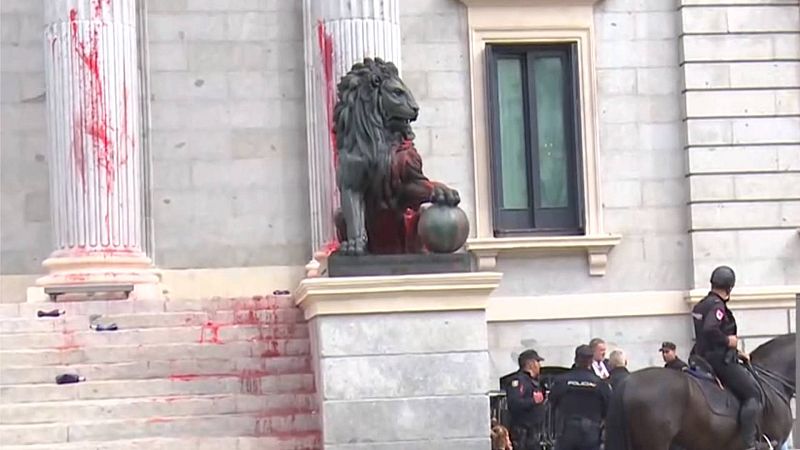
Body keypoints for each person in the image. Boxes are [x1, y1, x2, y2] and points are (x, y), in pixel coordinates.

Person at [691, 265, 768, 450]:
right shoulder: (717, 306)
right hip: (718, 360)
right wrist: (728, 341)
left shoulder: (700, 304)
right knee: (753, 394)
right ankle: (748, 444)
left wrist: (738, 352)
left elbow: (703, 335)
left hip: (701, 356)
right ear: (729, 287)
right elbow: (710, 329)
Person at [550, 345, 611, 450]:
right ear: (591, 361)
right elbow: (609, 408)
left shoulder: (562, 381)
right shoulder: (600, 384)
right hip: (592, 432)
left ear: (576, 359)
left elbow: (552, 401)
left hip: (567, 431)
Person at [504, 349, 547, 450]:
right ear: (531, 364)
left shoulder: (533, 381)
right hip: (523, 433)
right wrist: (533, 401)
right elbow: (514, 403)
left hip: (534, 433)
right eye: (538, 362)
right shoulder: (519, 381)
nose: (539, 366)